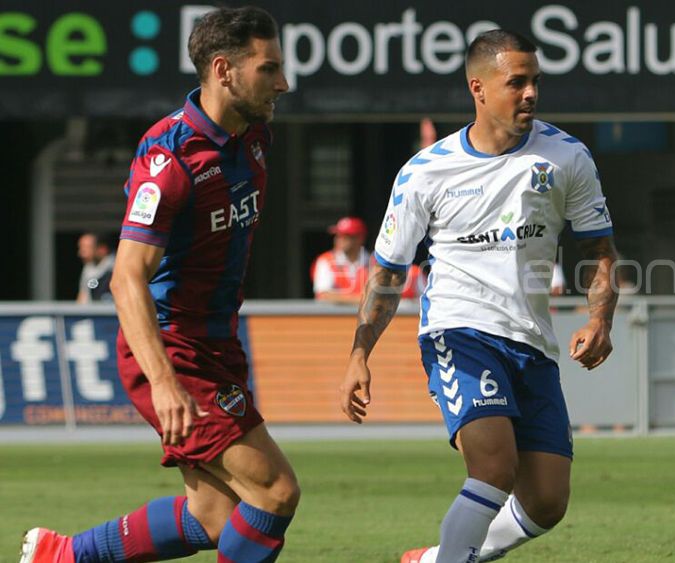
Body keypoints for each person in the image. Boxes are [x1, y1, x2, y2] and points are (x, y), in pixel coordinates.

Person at [20, 7, 299, 563]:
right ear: (224, 70)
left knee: (214, 518)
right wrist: (165, 381)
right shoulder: (168, 157)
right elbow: (126, 279)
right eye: (268, 69)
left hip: (218, 344)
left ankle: (64, 555)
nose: (283, 83)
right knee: (274, 490)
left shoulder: (255, 135)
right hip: (176, 348)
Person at [338, 29, 619, 563]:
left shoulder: (567, 157)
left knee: (546, 502)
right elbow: (388, 273)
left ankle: (434, 558)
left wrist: (600, 318)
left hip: (532, 342)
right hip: (458, 331)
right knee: (493, 468)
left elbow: (601, 251)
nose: (531, 93)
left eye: (535, 81)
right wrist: (358, 353)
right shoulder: (425, 171)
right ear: (479, 88)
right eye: (517, 82)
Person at [312, 216, 425, 303]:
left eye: (346, 236)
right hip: (336, 323)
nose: (339, 240)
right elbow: (323, 296)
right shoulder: (326, 261)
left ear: (360, 238)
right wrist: (363, 300)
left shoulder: (375, 261)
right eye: (338, 235)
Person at [76, 232, 116, 304]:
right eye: (81, 248)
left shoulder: (116, 269)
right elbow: (82, 297)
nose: (81, 253)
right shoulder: (88, 268)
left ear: (102, 249)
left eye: (86, 248)